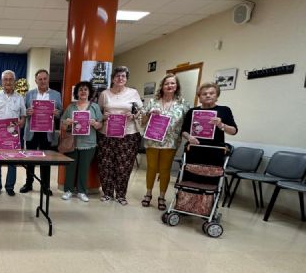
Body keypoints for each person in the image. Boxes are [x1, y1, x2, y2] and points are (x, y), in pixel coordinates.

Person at [140, 74, 190, 210]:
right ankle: (148, 193)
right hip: (152, 140)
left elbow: (189, 123)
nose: (169, 86)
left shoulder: (183, 104)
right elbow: (142, 121)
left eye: (172, 83)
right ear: (162, 86)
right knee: (151, 168)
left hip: (171, 142)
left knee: (165, 170)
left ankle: (162, 196)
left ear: (176, 86)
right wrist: (149, 114)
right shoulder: (152, 102)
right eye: (167, 83)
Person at [97, 66, 143, 206]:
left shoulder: (133, 93)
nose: (120, 78)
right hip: (106, 134)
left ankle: (121, 195)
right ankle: (107, 193)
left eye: (123, 76)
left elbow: (141, 111)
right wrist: (103, 116)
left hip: (128, 134)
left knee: (124, 166)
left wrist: (133, 115)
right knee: (106, 164)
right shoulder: (105, 94)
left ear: (126, 78)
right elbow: (98, 112)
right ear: (112, 78)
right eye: (117, 76)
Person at [21, 69, 62, 195]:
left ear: (48, 79)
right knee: (30, 160)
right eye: (40, 79)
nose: (43, 81)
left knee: (46, 161)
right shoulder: (29, 94)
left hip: (47, 132)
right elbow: (23, 112)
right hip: (32, 131)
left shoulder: (56, 94)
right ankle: (28, 184)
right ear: (36, 80)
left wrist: (57, 113)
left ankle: (45, 186)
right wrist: (27, 112)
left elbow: (60, 111)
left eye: (45, 79)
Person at [60, 82, 103, 201]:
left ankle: (81, 191)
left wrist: (95, 123)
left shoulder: (94, 107)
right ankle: (68, 190)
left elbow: (100, 125)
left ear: (89, 92)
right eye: (80, 90)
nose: (83, 92)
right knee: (70, 168)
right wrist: (67, 122)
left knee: (84, 169)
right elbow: (63, 126)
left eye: (85, 89)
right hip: (72, 143)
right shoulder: (71, 107)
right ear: (77, 93)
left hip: (89, 143)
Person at [0, 70, 26, 196]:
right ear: (1, 82)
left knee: (12, 161)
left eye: (10, 79)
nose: (8, 82)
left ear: (14, 82)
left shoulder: (20, 98)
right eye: (5, 79)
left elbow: (23, 116)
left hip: (13, 134)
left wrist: (21, 122)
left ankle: (10, 187)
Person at [182, 82, 238, 147]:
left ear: (217, 96)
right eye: (204, 94)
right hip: (194, 147)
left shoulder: (225, 110)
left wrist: (221, 125)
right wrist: (189, 137)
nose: (208, 96)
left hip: (216, 149)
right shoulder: (192, 111)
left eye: (211, 93)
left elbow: (234, 131)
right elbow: (183, 131)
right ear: (199, 98)